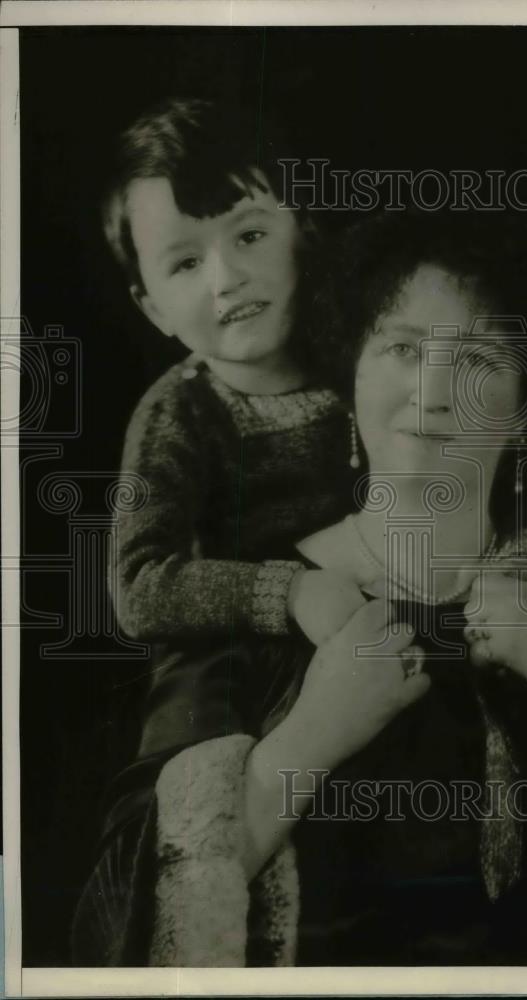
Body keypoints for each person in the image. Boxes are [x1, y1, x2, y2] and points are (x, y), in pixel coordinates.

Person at [72, 212, 527, 967]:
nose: (433, 393)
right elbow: (117, 920)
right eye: (403, 348)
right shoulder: (248, 622)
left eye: (477, 358)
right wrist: (314, 732)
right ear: (351, 382)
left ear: (524, 412)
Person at [100, 97, 366, 763]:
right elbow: (139, 586)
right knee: (194, 706)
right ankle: (208, 849)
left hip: (378, 616)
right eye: (185, 264)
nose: (227, 279)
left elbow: (487, 448)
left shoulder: (366, 359)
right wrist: (289, 591)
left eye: (249, 236)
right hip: (245, 652)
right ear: (152, 306)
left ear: (302, 230)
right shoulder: (178, 413)